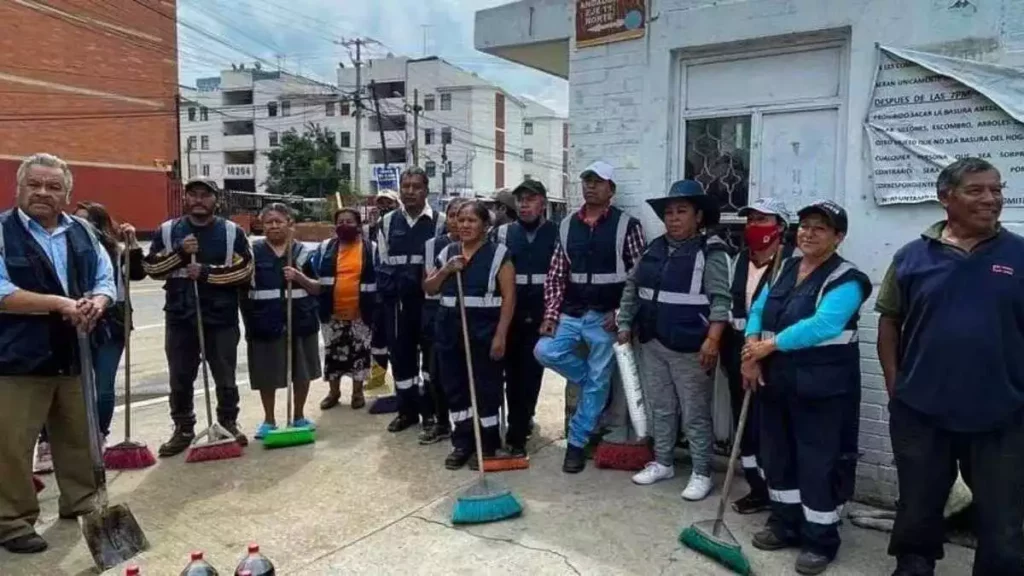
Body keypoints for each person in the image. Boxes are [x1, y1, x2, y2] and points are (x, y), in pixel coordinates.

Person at [876, 158, 1024, 576]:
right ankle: (913, 567)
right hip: (922, 412)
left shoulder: (1019, 255)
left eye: (996, 189)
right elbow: (889, 320)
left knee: (1003, 519)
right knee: (918, 508)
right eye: (976, 190)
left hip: (1002, 415)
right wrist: (895, 387)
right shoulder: (910, 258)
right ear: (946, 198)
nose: (991, 199)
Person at [741, 200, 871, 575]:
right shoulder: (786, 267)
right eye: (805, 226)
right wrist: (752, 351)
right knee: (778, 456)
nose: (809, 233)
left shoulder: (848, 279)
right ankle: (785, 523)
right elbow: (758, 309)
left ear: (838, 237)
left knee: (817, 463)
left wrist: (770, 346)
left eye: (820, 228)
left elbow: (825, 325)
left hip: (822, 389)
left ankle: (820, 539)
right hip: (777, 382)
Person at [0, 153, 116, 553]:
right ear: (19, 187)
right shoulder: (1, 232)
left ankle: (82, 501)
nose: (43, 193)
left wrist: (97, 302)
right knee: (12, 444)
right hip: (16, 358)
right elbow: (1, 292)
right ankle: (13, 520)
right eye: (35, 184)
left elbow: (106, 278)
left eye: (53, 186)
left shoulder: (83, 231)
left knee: (78, 436)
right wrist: (61, 303)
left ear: (67, 193)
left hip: (74, 352)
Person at [615, 180, 730, 501]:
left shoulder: (712, 251)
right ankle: (663, 462)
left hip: (692, 347)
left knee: (694, 412)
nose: (674, 218)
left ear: (698, 217)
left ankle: (702, 472)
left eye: (682, 212)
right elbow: (632, 289)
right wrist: (625, 322)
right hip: (652, 341)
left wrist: (713, 340)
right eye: (669, 213)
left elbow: (721, 300)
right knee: (661, 407)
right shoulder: (653, 248)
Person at [534, 160, 645, 474]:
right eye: (586, 181)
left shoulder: (627, 225)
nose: (590, 187)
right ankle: (596, 386)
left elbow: (640, 276)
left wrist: (623, 315)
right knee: (545, 351)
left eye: (597, 182)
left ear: (611, 189)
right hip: (571, 313)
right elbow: (556, 275)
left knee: (597, 379)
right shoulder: (568, 224)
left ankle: (577, 443)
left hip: (606, 319)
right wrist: (551, 314)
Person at [32, 202, 146, 473]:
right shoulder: (60, 247)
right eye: (77, 221)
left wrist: (132, 245)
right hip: (68, 319)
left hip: (111, 321)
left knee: (103, 385)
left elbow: (138, 274)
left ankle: (99, 436)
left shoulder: (115, 251)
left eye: (89, 222)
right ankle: (48, 442)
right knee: (61, 384)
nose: (81, 227)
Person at [143, 177, 253, 457]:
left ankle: (228, 422)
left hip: (221, 316)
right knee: (180, 376)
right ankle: (183, 428)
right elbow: (152, 269)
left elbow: (245, 272)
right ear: (186, 199)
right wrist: (181, 254)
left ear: (216, 200)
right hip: (181, 315)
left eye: (206, 195)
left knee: (225, 375)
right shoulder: (168, 231)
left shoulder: (231, 233)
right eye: (193, 195)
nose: (199, 200)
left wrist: (206, 273)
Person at [424, 200, 515, 469]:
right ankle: (462, 442)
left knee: (486, 388)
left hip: (484, 330)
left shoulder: (499, 254)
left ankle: (487, 445)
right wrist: (446, 270)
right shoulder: (448, 252)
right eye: (460, 220)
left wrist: (500, 336)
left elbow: (509, 297)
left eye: (471, 220)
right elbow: (429, 288)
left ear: (486, 226)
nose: (464, 225)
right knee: (456, 389)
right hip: (449, 329)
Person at [722, 197, 794, 514]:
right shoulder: (738, 260)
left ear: (780, 227)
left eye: (763, 220)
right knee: (745, 424)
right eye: (750, 220)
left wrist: (760, 353)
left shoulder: (792, 264)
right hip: (737, 351)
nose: (754, 226)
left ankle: (781, 492)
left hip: (774, 357)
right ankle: (757, 488)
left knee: (774, 428)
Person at [375, 167, 446, 434]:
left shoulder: (439, 222)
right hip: (397, 305)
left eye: (416, 186)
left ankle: (431, 413)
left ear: (426, 189)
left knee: (431, 362)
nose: (410, 191)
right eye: (406, 186)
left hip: (429, 305)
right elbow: (381, 262)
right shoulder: (386, 223)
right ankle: (407, 412)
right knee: (401, 359)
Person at [241, 204, 321, 438]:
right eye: (269, 222)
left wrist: (299, 276)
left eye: (279, 221)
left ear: (289, 223)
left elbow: (318, 288)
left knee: (302, 371)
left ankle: (298, 416)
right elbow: (242, 292)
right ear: (262, 225)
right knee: (266, 373)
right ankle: (269, 420)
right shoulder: (252, 253)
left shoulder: (304, 253)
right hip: (264, 321)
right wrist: (249, 322)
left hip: (301, 320)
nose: (274, 226)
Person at [493, 179, 558, 457]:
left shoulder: (557, 233)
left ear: (542, 202)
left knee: (531, 373)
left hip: (543, 312)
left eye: (530, 199)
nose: (524, 204)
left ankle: (520, 428)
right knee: (511, 372)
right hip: (511, 312)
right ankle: (518, 426)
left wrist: (555, 312)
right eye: (520, 200)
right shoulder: (503, 233)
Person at [314, 208, 377, 411]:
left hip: (361, 312)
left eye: (349, 221)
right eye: (340, 221)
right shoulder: (325, 247)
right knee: (333, 354)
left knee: (360, 353)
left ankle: (357, 393)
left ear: (359, 225)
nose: (344, 225)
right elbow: (313, 271)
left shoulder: (371, 248)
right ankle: (334, 392)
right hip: (332, 312)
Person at [417, 198, 468, 444]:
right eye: (453, 215)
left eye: (464, 216)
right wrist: (446, 270)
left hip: (470, 318)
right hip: (438, 315)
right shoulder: (433, 246)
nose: (458, 221)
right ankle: (441, 422)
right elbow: (430, 285)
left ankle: (470, 426)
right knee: (436, 373)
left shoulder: (481, 246)